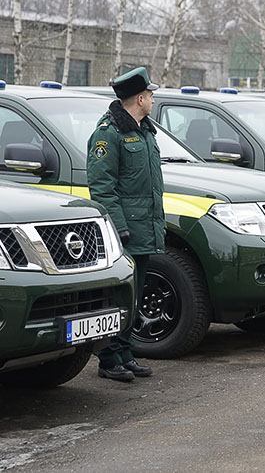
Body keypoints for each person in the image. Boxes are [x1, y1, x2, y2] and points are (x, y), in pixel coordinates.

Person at [87, 67, 164, 382]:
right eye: (151, 94)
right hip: (126, 231)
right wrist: (119, 228)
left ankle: (124, 351)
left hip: (144, 228)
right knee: (118, 297)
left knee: (135, 294)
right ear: (141, 97)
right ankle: (108, 358)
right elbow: (102, 186)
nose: (154, 99)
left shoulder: (144, 130)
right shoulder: (109, 132)